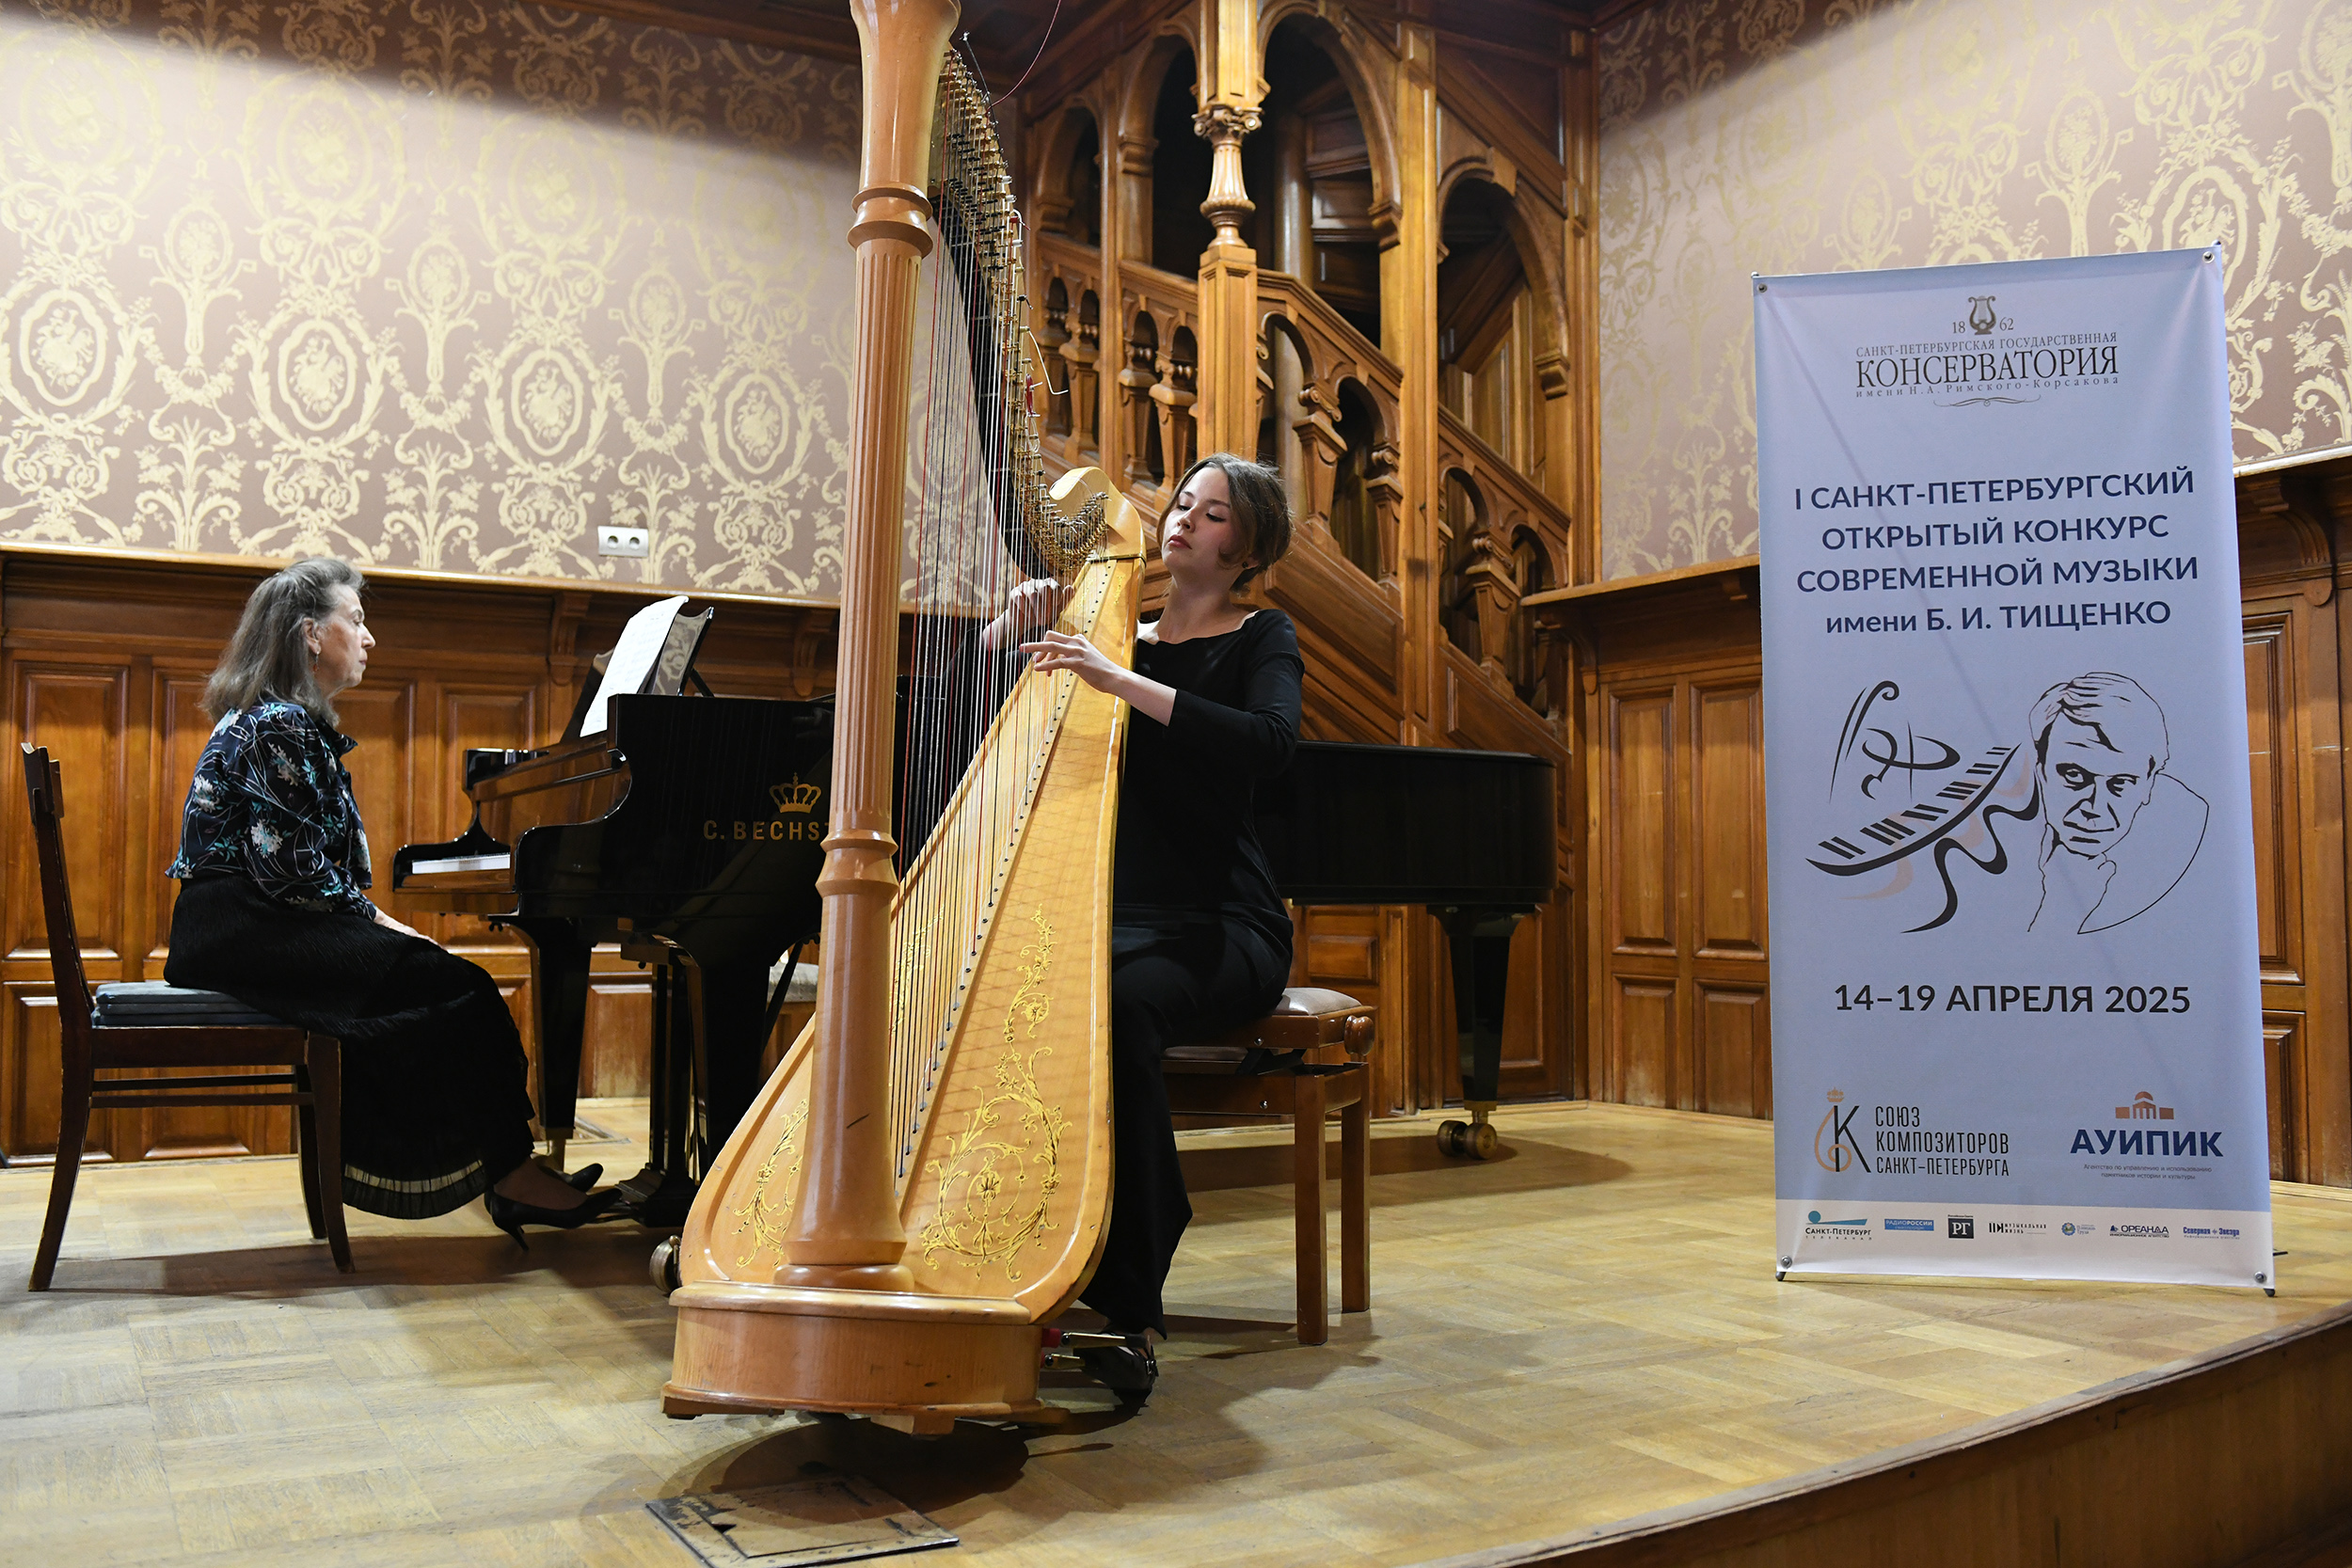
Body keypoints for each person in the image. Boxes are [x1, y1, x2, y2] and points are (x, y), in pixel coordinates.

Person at [164, 557, 618, 1245]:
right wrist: (389, 926)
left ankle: (506, 1167)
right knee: (462, 986)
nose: (369, 636)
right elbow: (292, 871)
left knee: (449, 983)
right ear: (311, 634)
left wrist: (386, 929)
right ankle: (509, 1174)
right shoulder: (277, 725)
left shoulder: (278, 720)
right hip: (243, 927)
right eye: (356, 619)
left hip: (244, 923)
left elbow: (300, 870)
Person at [1006, 453, 1302, 1401]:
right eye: (1182, 503)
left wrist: (1120, 679)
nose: (1182, 520)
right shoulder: (1107, 635)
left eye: (1212, 514)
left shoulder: (1260, 635)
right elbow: (1006, 732)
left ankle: (1128, 1295)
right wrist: (1004, 636)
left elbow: (1271, 743)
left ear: (1245, 545)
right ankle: (1022, 1254)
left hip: (1225, 923)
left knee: (1122, 1006)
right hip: (1119, 916)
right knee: (1034, 995)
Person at [2025, 671, 2209, 935]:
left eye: (2120, 783)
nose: (2095, 809)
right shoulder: (2001, 837)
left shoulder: (2185, 850)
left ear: (2149, 785)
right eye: (2074, 776)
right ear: (2040, 772)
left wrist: (2063, 909)